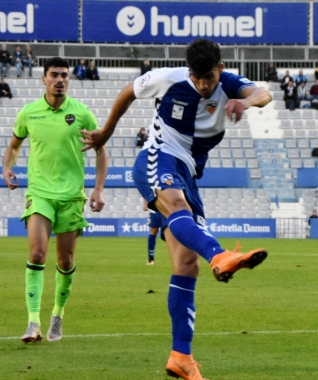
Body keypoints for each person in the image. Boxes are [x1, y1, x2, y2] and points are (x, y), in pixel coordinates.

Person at [79, 38, 271, 379]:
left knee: (186, 265)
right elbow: (127, 92)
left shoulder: (228, 85)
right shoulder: (168, 78)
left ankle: (181, 356)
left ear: (219, 69)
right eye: (197, 78)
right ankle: (219, 254)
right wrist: (106, 133)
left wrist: (246, 103)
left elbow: (262, 94)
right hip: (158, 156)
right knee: (179, 211)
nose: (202, 85)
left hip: (188, 174)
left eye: (208, 78)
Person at [2, 57, 107, 344]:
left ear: (69, 80)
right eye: (54, 75)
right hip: (39, 194)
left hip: (72, 196)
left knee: (65, 260)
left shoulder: (83, 114)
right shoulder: (29, 113)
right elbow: (14, 145)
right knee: (37, 255)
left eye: (64, 75)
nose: (60, 79)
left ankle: (57, 315)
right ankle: (32, 322)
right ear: (44, 79)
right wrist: (7, 167)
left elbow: (101, 150)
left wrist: (99, 188)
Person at [143, 199, 166, 265]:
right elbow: (147, 191)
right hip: (154, 209)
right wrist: (145, 203)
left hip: (166, 209)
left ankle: (178, 258)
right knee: (153, 232)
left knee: (169, 234)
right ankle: (151, 259)